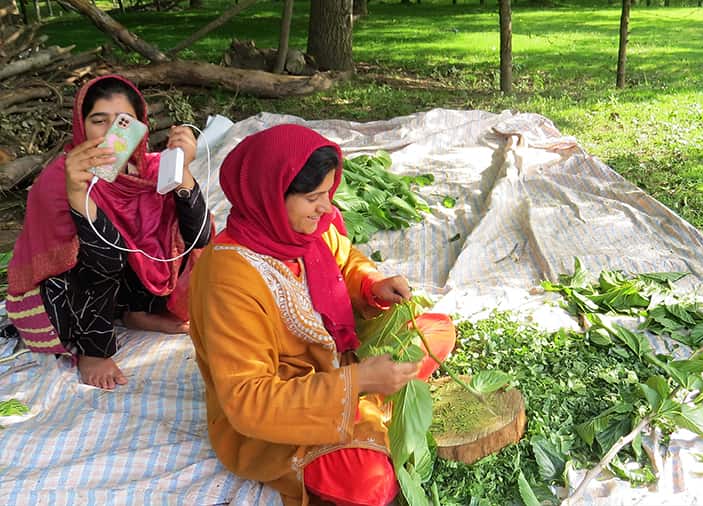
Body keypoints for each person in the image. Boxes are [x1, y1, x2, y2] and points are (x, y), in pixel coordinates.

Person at [188, 124, 454, 506]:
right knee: (369, 483)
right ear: (269, 197)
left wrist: (372, 285)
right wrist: (357, 382)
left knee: (435, 329)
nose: (327, 207)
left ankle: (377, 398)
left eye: (328, 193)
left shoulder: (306, 232)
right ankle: (374, 402)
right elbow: (250, 402)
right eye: (313, 196)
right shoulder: (227, 278)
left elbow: (345, 261)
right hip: (282, 413)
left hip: (337, 358)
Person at [5, 75, 212, 389]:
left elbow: (199, 238)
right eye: (99, 121)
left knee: (176, 238)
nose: (112, 134)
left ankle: (136, 312)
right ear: (82, 125)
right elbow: (99, 256)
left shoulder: (153, 171)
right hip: (73, 290)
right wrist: (77, 193)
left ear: (141, 125)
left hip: (122, 288)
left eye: (124, 122)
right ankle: (94, 348)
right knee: (97, 257)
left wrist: (182, 172)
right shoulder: (59, 179)